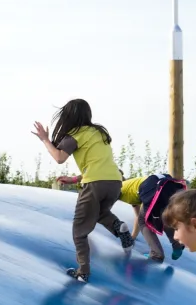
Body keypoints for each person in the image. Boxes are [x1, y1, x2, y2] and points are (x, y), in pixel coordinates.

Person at [32, 99, 134, 283]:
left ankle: (83, 272)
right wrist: (73, 179)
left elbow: (59, 158)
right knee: (100, 213)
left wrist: (45, 139)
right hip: (115, 181)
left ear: (68, 116)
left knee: (79, 231)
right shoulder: (99, 132)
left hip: (95, 183)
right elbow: (97, 163)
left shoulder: (75, 135)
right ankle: (119, 227)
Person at [59, 171, 186, 262]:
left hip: (152, 187)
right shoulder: (133, 192)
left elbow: (106, 210)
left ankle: (157, 254)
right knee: (164, 216)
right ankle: (176, 245)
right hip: (166, 184)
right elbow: (138, 217)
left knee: (146, 222)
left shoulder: (120, 188)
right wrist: (133, 236)